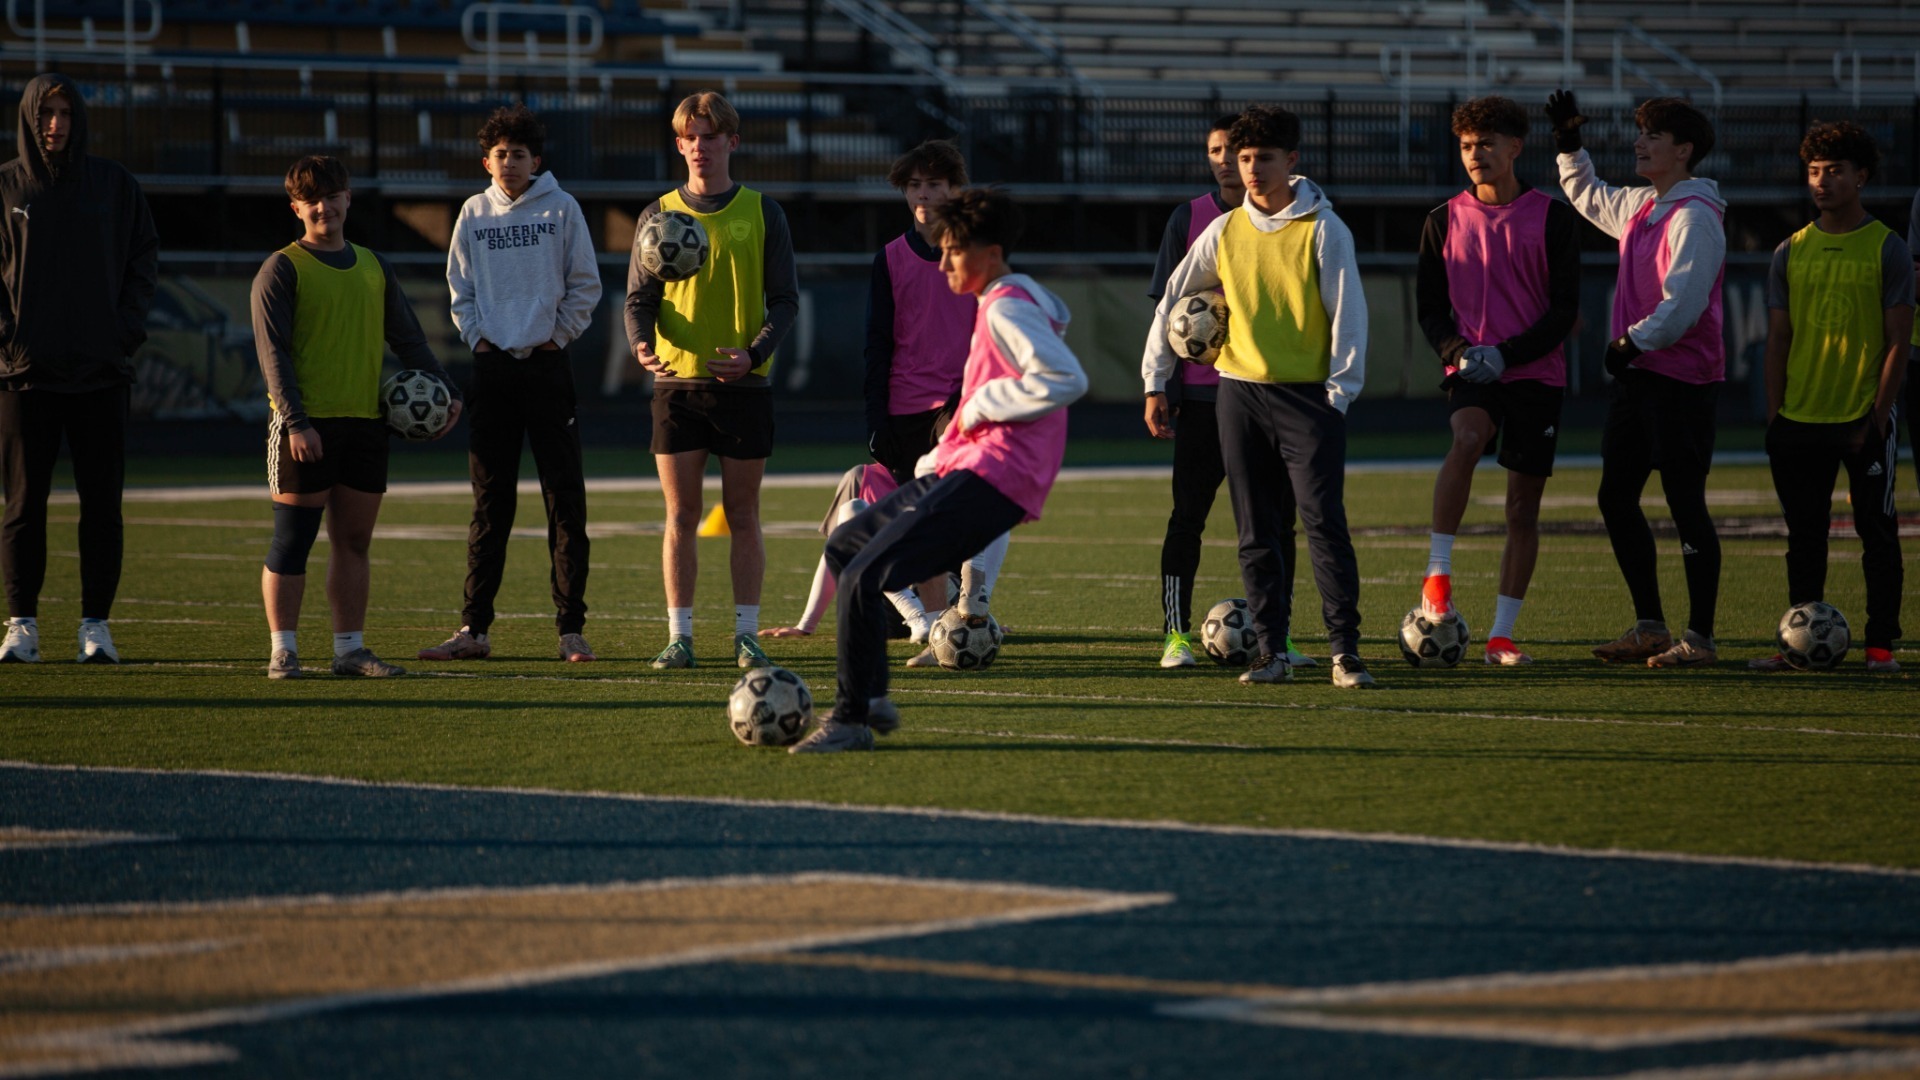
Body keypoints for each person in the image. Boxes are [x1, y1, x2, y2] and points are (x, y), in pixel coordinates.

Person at [792, 188, 1087, 753]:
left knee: (860, 575)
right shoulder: (1009, 296)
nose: (944, 261)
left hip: (990, 480)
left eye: (954, 250)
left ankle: (852, 718)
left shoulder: (1005, 306)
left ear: (991, 252)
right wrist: (944, 449)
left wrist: (978, 409)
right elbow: (1052, 321)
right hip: (965, 470)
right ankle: (872, 695)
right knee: (847, 545)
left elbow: (1066, 380)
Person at [1143, 104, 1373, 689]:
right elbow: (1173, 300)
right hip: (1238, 397)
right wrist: (1154, 379)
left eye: (1263, 158)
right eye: (1243, 158)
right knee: (1255, 532)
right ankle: (1270, 653)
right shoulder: (1223, 230)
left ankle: (1345, 652)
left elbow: (1350, 316)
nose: (1251, 169)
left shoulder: (1325, 228)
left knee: (1323, 525)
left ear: (1291, 161)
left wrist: (1339, 394)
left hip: (1308, 401)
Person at [251, 155, 461, 679]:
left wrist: (446, 391)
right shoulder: (282, 268)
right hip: (307, 427)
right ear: (296, 208)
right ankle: (284, 650)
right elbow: (272, 354)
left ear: (348, 198)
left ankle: (350, 650)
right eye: (312, 199)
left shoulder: (373, 264)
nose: (324, 206)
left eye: (333, 195)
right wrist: (296, 422)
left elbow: (409, 339)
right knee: (292, 540)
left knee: (354, 542)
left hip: (367, 423)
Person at [1548, 90, 1727, 669]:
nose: (1639, 142)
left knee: (1684, 503)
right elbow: (1587, 195)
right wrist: (1570, 146)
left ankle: (1699, 638)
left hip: (1680, 381)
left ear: (1684, 150)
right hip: (1640, 378)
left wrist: (1631, 341)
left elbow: (1686, 304)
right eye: (1640, 133)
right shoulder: (1644, 205)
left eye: (1652, 136)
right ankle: (1651, 627)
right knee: (1615, 496)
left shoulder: (1695, 216)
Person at [418, 106, 601, 665]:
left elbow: (585, 285)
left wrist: (556, 337)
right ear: (487, 161)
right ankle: (473, 628)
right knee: (490, 504)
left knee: (564, 500)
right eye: (500, 154)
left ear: (535, 160)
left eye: (519, 154)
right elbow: (459, 287)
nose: (510, 163)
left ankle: (571, 629)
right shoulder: (473, 213)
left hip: (548, 369)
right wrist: (477, 339)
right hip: (493, 370)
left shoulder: (562, 209)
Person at [624, 90, 799, 670]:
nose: (700, 146)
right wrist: (642, 347)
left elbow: (785, 302)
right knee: (681, 516)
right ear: (679, 145)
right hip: (676, 386)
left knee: (743, 515)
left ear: (732, 142)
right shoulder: (657, 215)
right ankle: (681, 637)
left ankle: (746, 636)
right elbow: (638, 299)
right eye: (690, 138)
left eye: (710, 136)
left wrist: (754, 355)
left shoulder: (763, 211)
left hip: (745, 388)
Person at [1415, 95, 1581, 665]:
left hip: (1535, 373)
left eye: (1485, 143)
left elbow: (1564, 313)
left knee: (1520, 510)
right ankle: (1438, 572)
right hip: (1473, 371)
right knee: (1466, 437)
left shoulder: (1554, 218)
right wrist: (1460, 353)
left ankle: (1501, 635)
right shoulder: (1441, 221)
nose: (1475, 155)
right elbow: (1430, 311)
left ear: (1515, 147)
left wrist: (1507, 354)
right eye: (1465, 146)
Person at [0, 73, 158, 664]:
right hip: (24, 377)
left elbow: (144, 256)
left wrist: (124, 331)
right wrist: (8, 342)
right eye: (46, 113)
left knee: (101, 505)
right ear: (28, 118)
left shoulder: (113, 185)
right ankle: (21, 624)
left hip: (101, 374)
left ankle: (96, 625)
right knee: (22, 505)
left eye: (65, 112)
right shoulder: (7, 187)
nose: (56, 124)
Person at [1749, 122, 1909, 674]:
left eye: (1835, 171)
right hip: (1799, 418)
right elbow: (1779, 342)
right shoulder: (1789, 251)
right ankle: (1794, 641)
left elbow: (1898, 342)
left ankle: (1882, 646)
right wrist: (1775, 417)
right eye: (1814, 171)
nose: (1821, 181)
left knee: (1878, 534)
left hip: (1862, 418)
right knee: (1804, 538)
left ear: (1860, 177)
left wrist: (1879, 416)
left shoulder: (1888, 247)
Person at [861, 139, 986, 649]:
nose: (924, 194)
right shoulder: (889, 258)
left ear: (954, 190)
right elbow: (878, 343)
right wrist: (876, 419)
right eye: (915, 185)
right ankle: (942, 617)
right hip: (903, 407)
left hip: (962, 401)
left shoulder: (978, 251)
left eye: (935, 184)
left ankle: (970, 606)